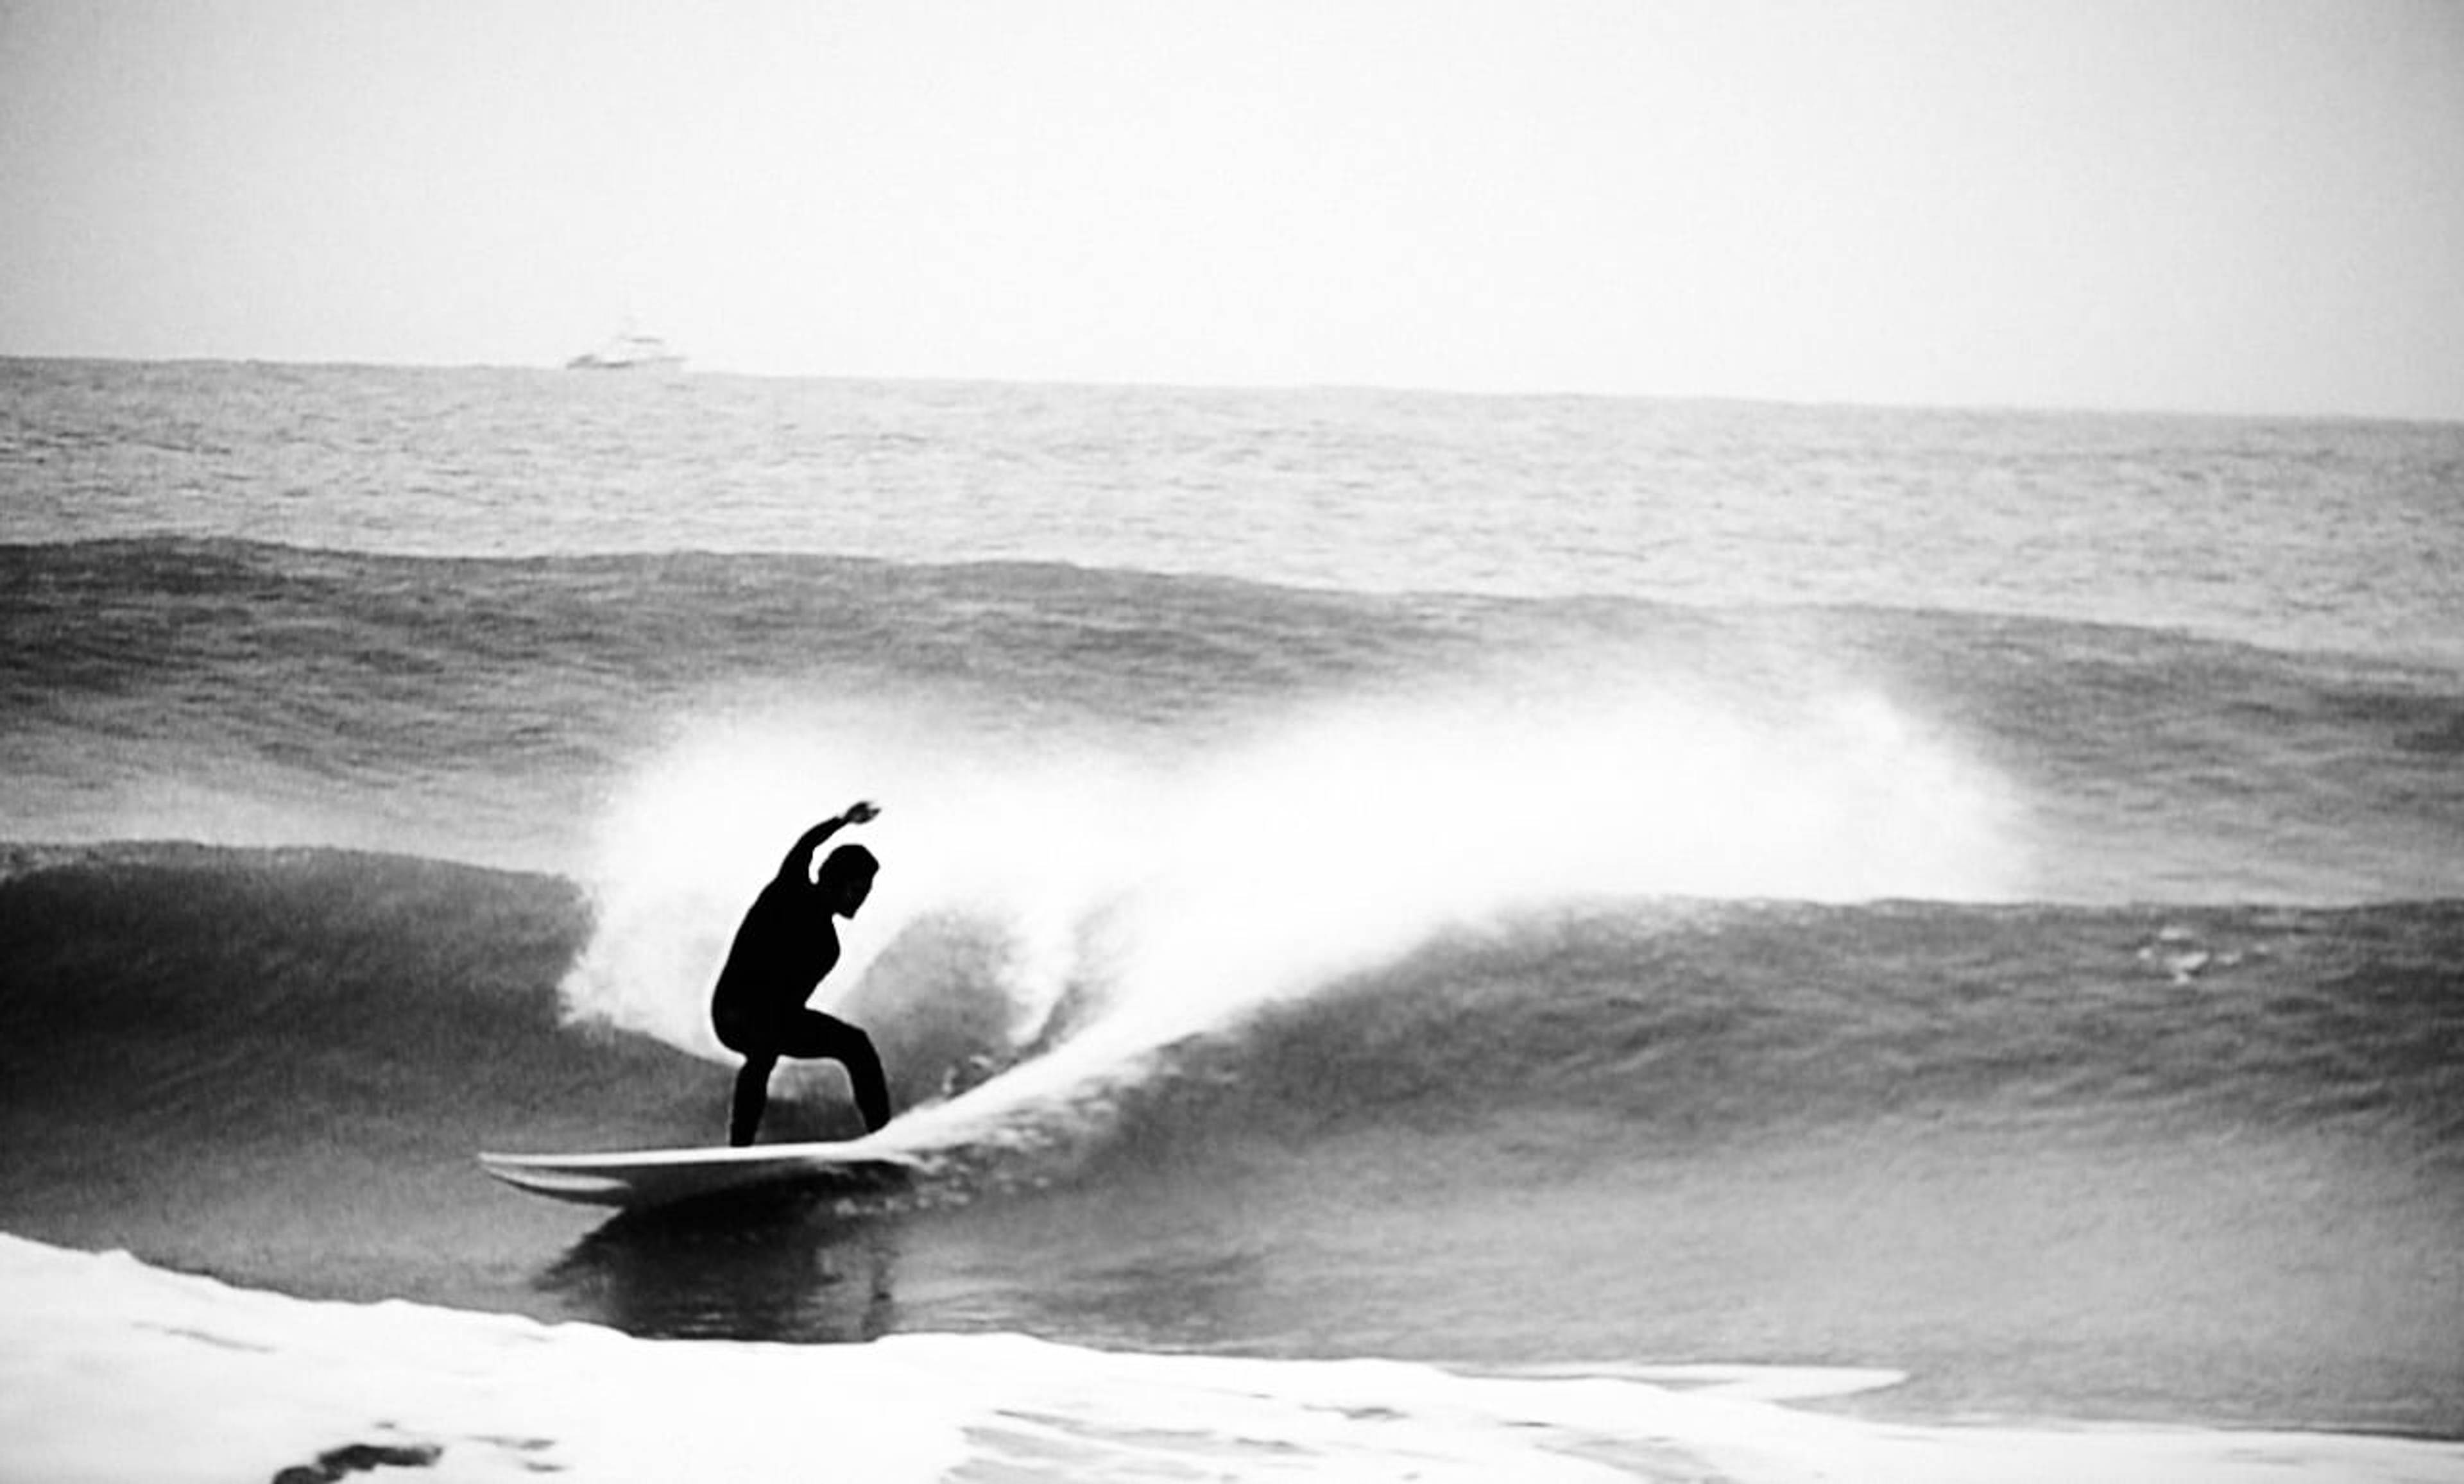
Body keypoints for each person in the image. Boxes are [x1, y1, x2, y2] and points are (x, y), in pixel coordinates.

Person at [710, 801, 892, 1146]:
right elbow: (806, 845)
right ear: (836, 880)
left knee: (856, 1045)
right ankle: (739, 1150)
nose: (861, 899)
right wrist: (842, 821)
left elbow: (792, 1009)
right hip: (732, 1011)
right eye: (858, 889)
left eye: (866, 892)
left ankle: (883, 1139)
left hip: (772, 1017)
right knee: (765, 1044)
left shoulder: (828, 948)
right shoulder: (791, 888)